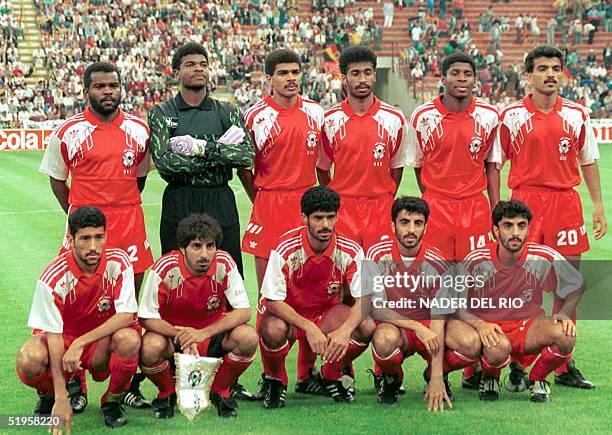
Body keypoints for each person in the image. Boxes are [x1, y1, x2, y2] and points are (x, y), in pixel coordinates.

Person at [39, 61, 152, 411]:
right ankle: (75, 382)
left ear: (121, 88)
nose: (108, 92)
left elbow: (140, 177)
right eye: (100, 86)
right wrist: (76, 217)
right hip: (85, 230)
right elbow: (58, 180)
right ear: (87, 90)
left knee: (127, 310)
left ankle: (125, 386)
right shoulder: (68, 130)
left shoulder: (138, 129)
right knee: (77, 307)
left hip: (129, 226)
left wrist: (121, 203)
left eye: (113, 85)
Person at [499, 46, 605, 390]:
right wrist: (497, 209)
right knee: (520, 285)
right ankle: (518, 361)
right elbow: (495, 163)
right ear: (528, 75)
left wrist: (598, 206)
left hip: (565, 205)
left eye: (556, 68)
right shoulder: (512, 116)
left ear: (562, 73)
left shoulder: (577, 114)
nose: (550, 74)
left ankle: (563, 362)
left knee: (568, 284)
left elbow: (588, 161)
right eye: (542, 68)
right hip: (526, 203)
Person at [237, 49, 325, 398]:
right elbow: (245, 168)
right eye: (283, 72)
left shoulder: (316, 113)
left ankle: (307, 374)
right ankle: (274, 378)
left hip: (305, 205)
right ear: (269, 78)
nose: (291, 78)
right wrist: (261, 197)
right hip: (270, 205)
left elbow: (323, 165)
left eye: (295, 71)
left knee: (312, 293)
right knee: (269, 297)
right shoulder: (255, 116)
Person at [16, 206, 140, 429]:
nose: (93, 246)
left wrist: (81, 342)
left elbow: (126, 315)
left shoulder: (119, 262)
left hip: (99, 341)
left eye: (99, 237)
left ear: (105, 236)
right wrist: (61, 398)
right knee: (29, 358)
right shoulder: (53, 277)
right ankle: (48, 395)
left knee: (130, 340)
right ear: (71, 239)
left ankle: (111, 402)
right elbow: (53, 335)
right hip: (62, 340)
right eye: (84, 238)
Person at [258, 186, 374, 408]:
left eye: (330, 217)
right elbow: (272, 301)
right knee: (272, 329)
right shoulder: (285, 248)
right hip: (289, 315)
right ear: (304, 218)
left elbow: (365, 299)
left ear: (337, 216)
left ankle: (330, 374)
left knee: (366, 326)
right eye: (318, 218)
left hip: (324, 314)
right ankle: (276, 380)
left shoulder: (350, 249)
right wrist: (308, 327)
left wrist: (344, 331)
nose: (325, 225)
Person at [457, 201, 583, 403]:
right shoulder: (475, 259)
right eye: (508, 226)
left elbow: (577, 284)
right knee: (497, 349)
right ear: (495, 231)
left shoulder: (543, 255)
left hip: (527, 328)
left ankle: (537, 379)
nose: (515, 233)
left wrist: (565, 312)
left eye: (521, 226)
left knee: (565, 336)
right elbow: (456, 305)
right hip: (492, 329)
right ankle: (490, 378)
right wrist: (480, 325)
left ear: (528, 229)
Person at [148, 42, 254, 273]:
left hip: (220, 199)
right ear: (176, 73)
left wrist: (200, 148)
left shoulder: (228, 111)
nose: (198, 69)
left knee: (226, 273)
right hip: (180, 199)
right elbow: (166, 163)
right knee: (176, 274)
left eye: (203, 64)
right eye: (190, 64)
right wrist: (221, 152)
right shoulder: (162, 112)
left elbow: (246, 154)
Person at [137, 214, 258, 418]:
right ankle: (167, 393)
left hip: (211, 335)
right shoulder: (165, 268)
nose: (204, 254)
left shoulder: (224, 262)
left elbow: (243, 311)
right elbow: (146, 317)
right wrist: (184, 335)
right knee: (149, 347)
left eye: (210, 246)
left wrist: (202, 333)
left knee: (248, 338)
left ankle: (219, 391)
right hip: (174, 337)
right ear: (182, 249)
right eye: (196, 246)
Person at [367, 196, 481, 410]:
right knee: (383, 340)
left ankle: (434, 376)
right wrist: (416, 326)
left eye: (417, 223)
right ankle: (391, 377)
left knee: (471, 343)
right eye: (404, 222)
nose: (411, 229)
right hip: (397, 327)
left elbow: (438, 319)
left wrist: (437, 375)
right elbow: (377, 309)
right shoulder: (376, 255)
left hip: (431, 329)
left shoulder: (438, 262)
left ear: (425, 228)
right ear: (393, 225)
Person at [406, 51, 501, 262]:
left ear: (474, 80)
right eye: (455, 73)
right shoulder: (422, 117)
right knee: (436, 277)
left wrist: (496, 212)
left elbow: (492, 166)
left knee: (478, 278)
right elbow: (419, 164)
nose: (461, 78)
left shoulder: (490, 116)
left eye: (467, 74)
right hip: (436, 208)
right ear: (442, 79)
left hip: (475, 208)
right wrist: (433, 196)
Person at [317, 46, 408, 245]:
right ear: (344, 77)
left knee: (377, 274)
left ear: (375, 75)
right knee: (345, 274)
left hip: (381, 209)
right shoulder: (329, 120)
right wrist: (336, 199)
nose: (362, 80)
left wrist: (385, 196)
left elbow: (397, 166)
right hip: (343, 210)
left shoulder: (394, 118)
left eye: (367, 73)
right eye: (355, 74)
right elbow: (323, 168)